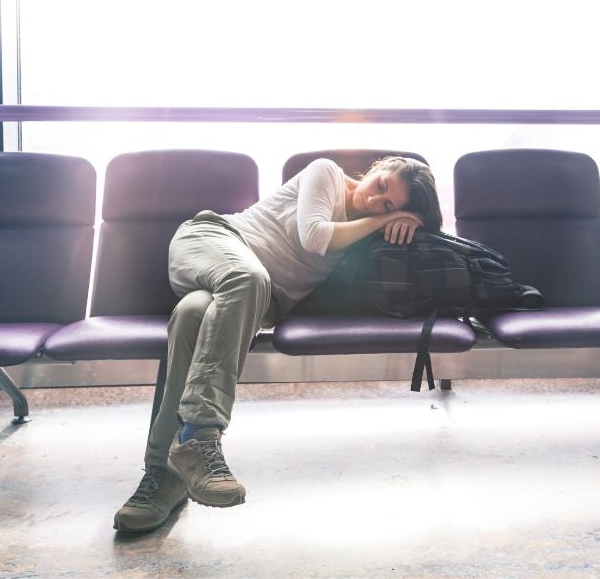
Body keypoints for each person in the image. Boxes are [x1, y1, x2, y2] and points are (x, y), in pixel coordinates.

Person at [113, 156, 443, 533]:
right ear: (377, 168)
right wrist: (384, 219)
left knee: (191, 315)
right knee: (247, 278)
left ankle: (162, 477)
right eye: (381, 186)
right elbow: (315, 235)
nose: (374, 202)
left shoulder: (365, 234)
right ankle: (199, 435)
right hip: (215, 242)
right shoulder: (327, 173)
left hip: (259, 297)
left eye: (388, 206)